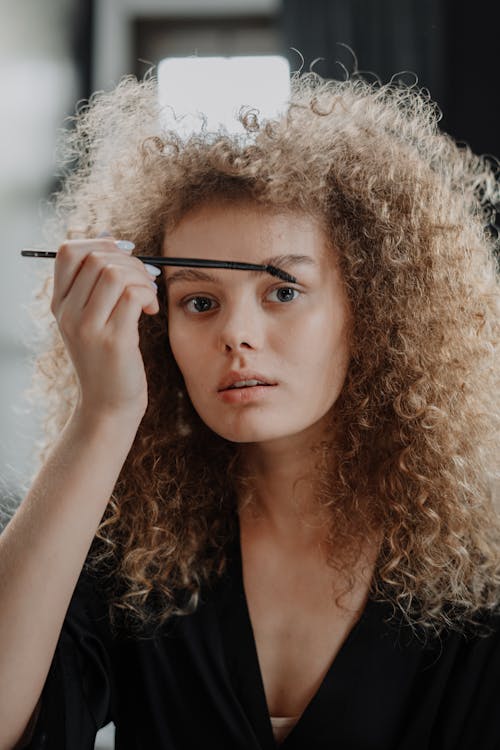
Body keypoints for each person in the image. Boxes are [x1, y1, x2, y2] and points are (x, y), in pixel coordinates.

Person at [0, 69, 499, 750]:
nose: (236, 335)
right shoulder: (134, 545)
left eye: (283, 292)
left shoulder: (482, 559)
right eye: (198, 302)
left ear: (375, 310)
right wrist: (103, 414)